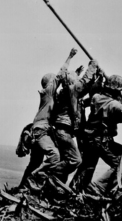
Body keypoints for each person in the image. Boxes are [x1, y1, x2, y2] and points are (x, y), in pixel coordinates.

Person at [74, 74, 122, 196]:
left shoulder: (96, 98)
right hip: (102, 141)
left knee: (88, 166)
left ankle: (77, 191)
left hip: (89, 139)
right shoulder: (115, 106)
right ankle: (98, 188)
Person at [25, 48, 77, 190]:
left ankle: (24, 186)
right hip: (41, 130)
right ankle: (36, 177)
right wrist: (69, 57)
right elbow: (60, 75)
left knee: (35, 161)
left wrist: (76, 73)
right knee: (54, 156)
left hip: (41, 130)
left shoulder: (50, 96)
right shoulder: (48, 92)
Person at [51, 58, 99, 183]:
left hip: (63, 132)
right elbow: (84, 83)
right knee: (75, 160)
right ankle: (47, 173)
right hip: (64, 132)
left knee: (66, 160)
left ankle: (56, 186)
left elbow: (85, 96)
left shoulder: (67, 94)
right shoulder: (72, 90)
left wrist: (97, 80)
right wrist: (92, 66)